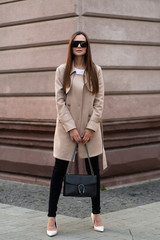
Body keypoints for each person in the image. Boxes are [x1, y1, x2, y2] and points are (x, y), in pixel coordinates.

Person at [47, 31, 107, 237]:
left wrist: (91, 128)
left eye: (83, 43)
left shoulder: (96, 71)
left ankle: (96, 214)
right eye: (75, 43)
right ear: (71, 46)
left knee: (94, 173)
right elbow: (59, 102)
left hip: (91, 130)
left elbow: (99, 101)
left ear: (88, 46)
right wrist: (71, 128)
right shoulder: (62, 71)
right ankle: (51, 218)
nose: (79, 46)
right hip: (67, 130)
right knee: (58, 173)